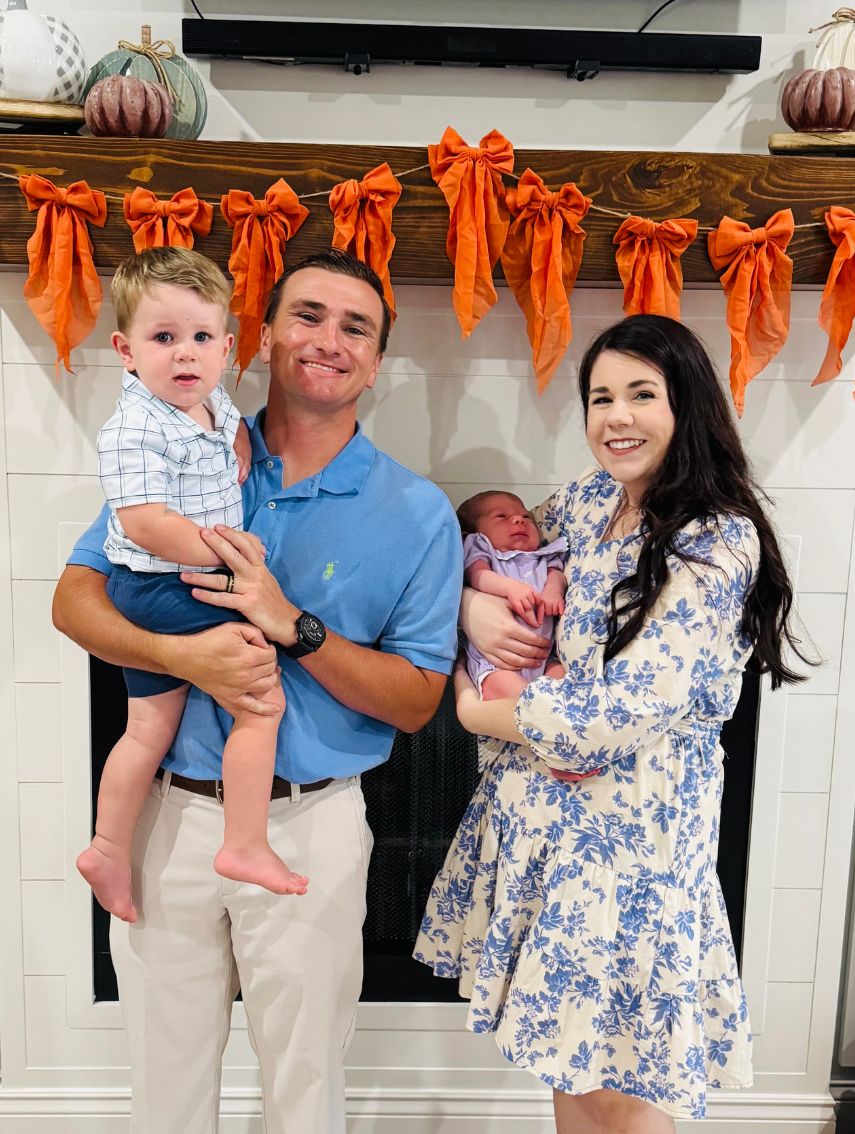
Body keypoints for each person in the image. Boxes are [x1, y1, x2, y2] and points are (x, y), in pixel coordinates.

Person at [52, 249, 463, 1134]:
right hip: (170, 819)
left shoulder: (417, 511)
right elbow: (74, 600)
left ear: (377, 361)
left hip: (310, 828)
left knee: (304, 1090)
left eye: (356, 326)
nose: (328, 339)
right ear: (263, 336)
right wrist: (187, 658)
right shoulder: (183, 445)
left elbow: (418, 701)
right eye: (307, 315)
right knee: (164, 1091)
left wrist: (293, 626)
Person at [415, 314, 809, 1133]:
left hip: (637, 844)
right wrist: (468, 606)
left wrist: (476, 707)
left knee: (625, 1078)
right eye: (599, 397)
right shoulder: (591, 499)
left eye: (640, 394)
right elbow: (494, 556)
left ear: (687, 404)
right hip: (550, 835)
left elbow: (623, 711)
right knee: (569, 1057)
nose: (615, 417)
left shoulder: (716, 537)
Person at [76, 247, 307, 924]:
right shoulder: (131, 428)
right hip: (161, 584)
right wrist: (229, 556)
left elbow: (225, 415)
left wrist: (235, 437)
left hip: (170, 581)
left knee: (147, 726)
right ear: (125, 350)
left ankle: (107, 847)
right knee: (262, 699)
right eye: (163, 339)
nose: (185, 355)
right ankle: (244, 841)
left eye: (202, 339)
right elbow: (145, 523)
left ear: (227, 347)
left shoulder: (203, 398)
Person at [457, 490, 566, 701]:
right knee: (516, 696)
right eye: (501, 517)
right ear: (476, 532)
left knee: (562, 685)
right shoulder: (483, 549)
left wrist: (553, 590)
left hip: (543, 659)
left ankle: (550, 717)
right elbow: (477, 575)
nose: (519, 520)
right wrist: (509, 588)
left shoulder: (543, 557)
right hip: (496, 663)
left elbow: (557, 575)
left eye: (526, 517)